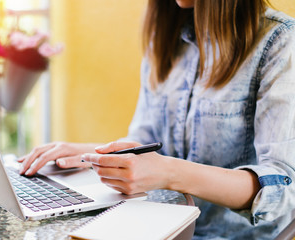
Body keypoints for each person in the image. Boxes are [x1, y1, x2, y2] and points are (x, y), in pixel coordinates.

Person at [18, 0, 295, 239]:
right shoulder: (165, 39)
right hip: (158, 227)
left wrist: (171, 174)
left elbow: (284, 192)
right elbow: (145, 147)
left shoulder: (279, 41)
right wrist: (92, 154)